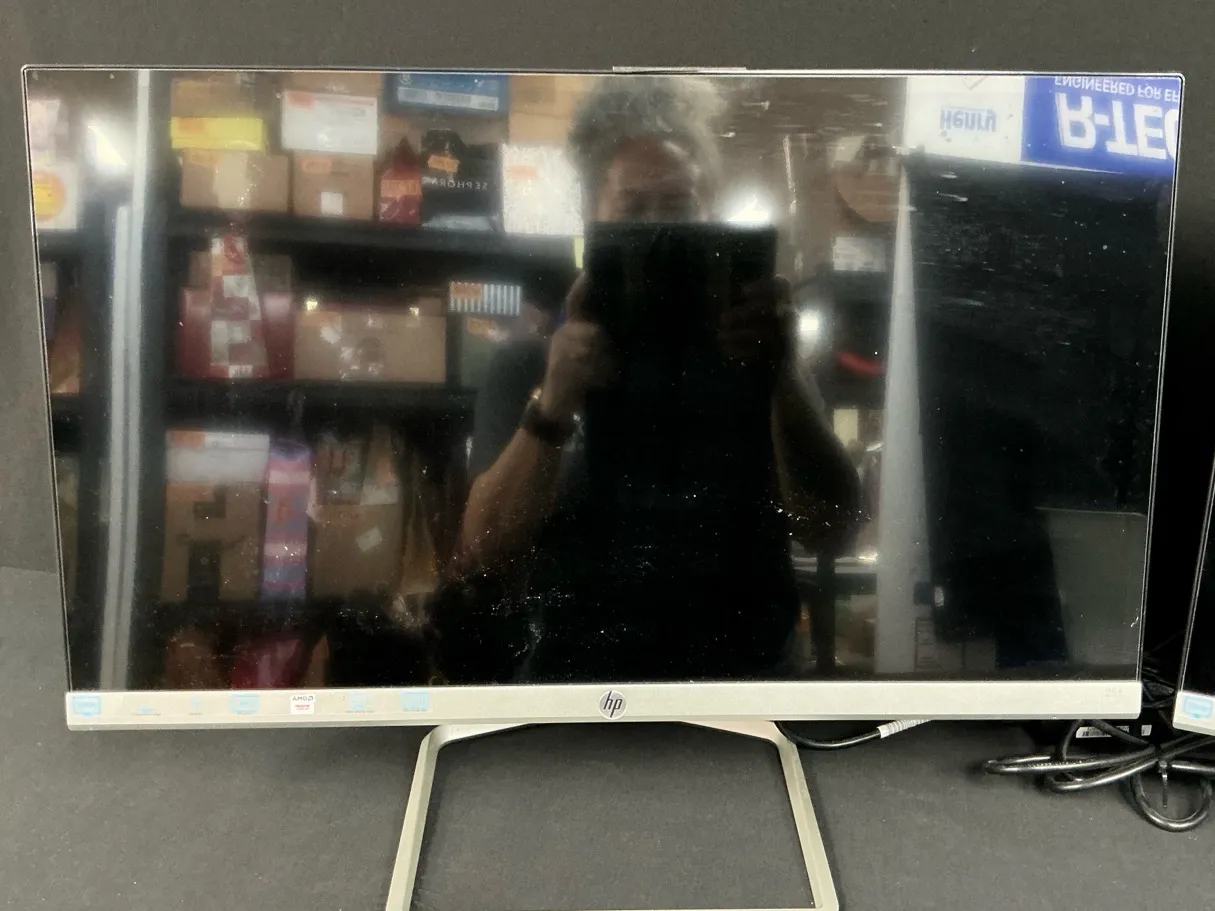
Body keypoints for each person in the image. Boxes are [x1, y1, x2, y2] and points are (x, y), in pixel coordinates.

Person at [455, 77, 860, 681]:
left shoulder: (763, 362)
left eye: (676, 208)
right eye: (633, 210)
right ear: (592, 218)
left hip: (742, 689)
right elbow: (484, 556)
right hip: (579, 686)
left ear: (708, 214)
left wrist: (781, 379)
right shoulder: (530, 368)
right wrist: (554, 404)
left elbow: (832, 532)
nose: (657, 232)